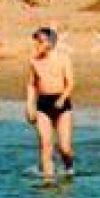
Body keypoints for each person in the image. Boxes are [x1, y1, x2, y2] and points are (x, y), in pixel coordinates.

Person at [26, 27, 75, 179]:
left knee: (64, 147)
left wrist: (62, 98)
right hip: (43, 105)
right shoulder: (34, 61)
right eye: (36, 41)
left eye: (40, 41)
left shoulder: (63, 59)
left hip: (62, 103)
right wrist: (29, 106)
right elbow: (31, 84)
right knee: (45, 145)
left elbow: (71, 83)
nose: (37, 45)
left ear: (50, 43)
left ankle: (69, 166)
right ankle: (47, 180)